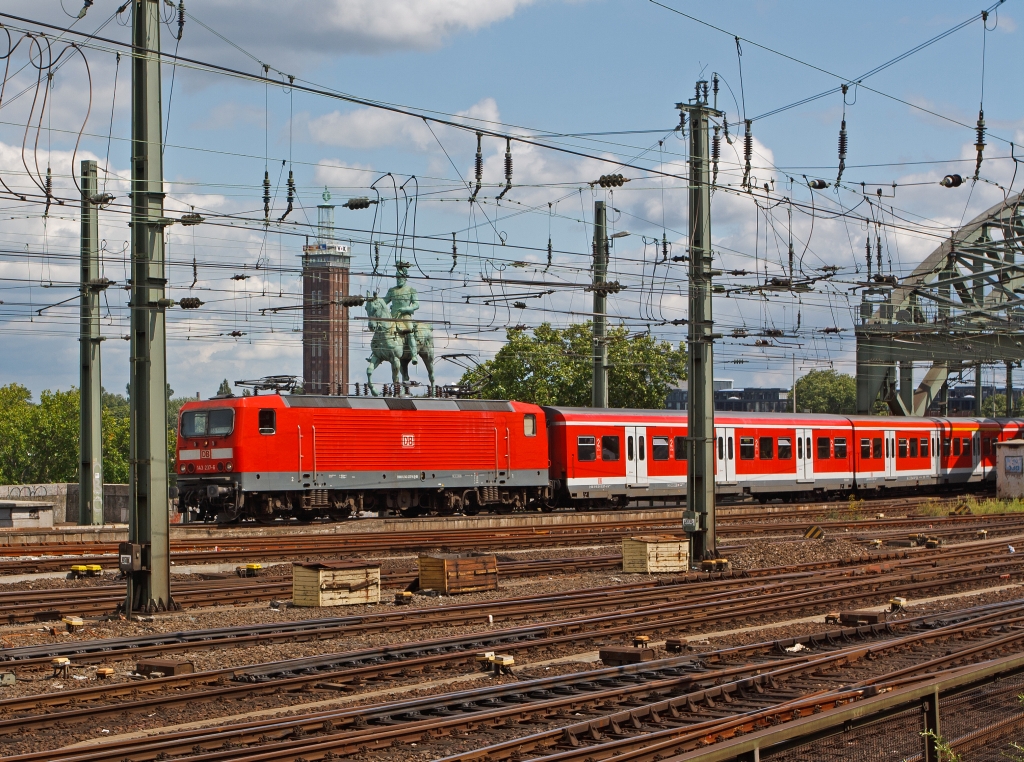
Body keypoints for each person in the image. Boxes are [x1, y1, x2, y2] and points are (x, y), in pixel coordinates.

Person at [384, 262, 419, 363]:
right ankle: (378, 351)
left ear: (405, 278)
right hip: (393, 317)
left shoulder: (411, 290)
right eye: (397, 278)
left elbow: (416, 304)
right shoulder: (392, 290)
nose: (398, 280)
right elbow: (384, 302)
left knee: (410, 332)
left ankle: (414, 355)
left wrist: (407, 308)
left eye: (400, 278)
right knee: (382, 331)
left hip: (405, 316)